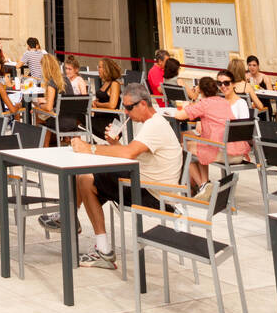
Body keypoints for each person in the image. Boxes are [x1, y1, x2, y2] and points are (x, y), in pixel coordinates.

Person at [50, 83, 183, 269]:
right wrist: (114, 144)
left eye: (129, 107)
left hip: (154, 195)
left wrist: (90, 148)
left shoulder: (154, 125)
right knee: (85, 177)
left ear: (143, 104)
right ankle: (71, 219)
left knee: (85, 178)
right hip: (147, 185)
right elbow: (132, 153)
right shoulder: (151, 123)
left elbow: (129, 154)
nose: (126, 113)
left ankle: (89, 237)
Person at [174, 75, 237, 190]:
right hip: (236, 149)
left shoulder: (204, 104)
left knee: (184, 148)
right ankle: (204, 182)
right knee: (201, 145)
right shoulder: (224, 102)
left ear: (201, 90)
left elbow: (179, 115)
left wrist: (192, 99)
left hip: (222, 150)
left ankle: (202, 185)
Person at [34, 52, 73, 138]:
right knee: (46, 114)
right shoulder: (66, 79)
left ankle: (44, 145)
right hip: (72, 120)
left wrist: (40, 105)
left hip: (60, 121)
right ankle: (57, 142)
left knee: (38, 114)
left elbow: (49, 107)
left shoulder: (52, 82)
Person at [91, 58, 122, 139]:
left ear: (106, 69)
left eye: (100, 67)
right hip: (99, 118)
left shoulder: (114, 84)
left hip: (109, 122)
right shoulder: (105, 83)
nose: (98, 69)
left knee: (77, 117)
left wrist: (97, 104)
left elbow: (112, 105)